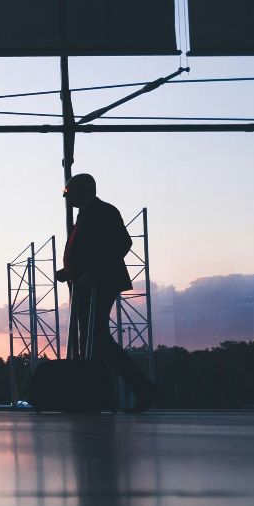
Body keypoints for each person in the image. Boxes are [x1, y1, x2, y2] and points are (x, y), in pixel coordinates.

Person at [57, 173, 160, 410]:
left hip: (99, 284)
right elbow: (91, 250)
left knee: (96, 337)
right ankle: (109, 391)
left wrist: (94, 273)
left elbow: (121, 243)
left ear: (83, 190)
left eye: (68, 192)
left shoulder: (104, 211)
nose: (66, 197)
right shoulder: (86, 214)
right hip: (86, 284)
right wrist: (70, 271)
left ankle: (137, 388)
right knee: (93, 338)